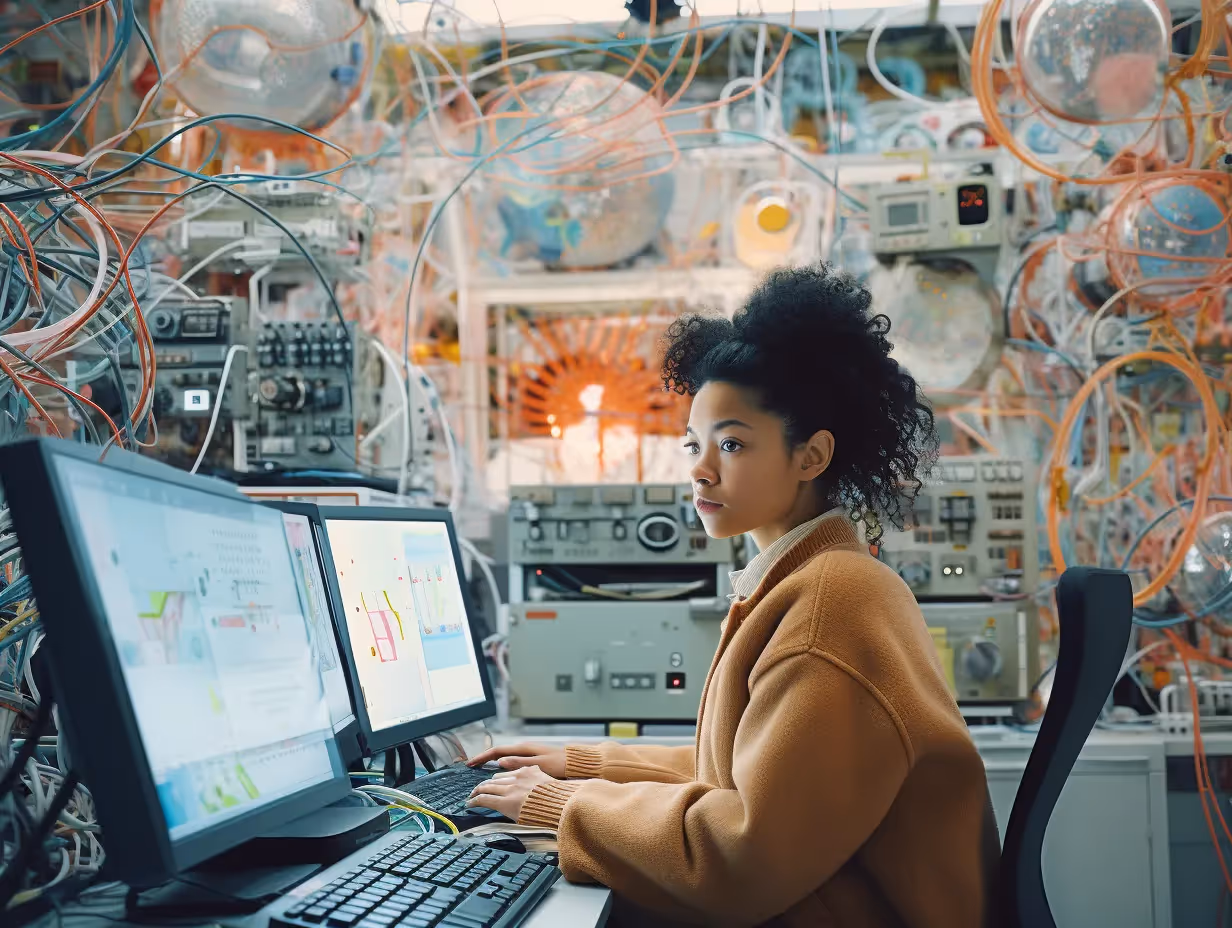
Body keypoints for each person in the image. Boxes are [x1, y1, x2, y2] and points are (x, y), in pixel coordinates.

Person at [467, 265, 999, 927]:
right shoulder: (809, 579)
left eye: (733, 443)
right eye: (696, 444)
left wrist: (559, 807)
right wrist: (582, 764)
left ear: (812, 456)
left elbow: (743, 855)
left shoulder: (830, 606)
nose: (700, 469)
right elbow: (739, 775)